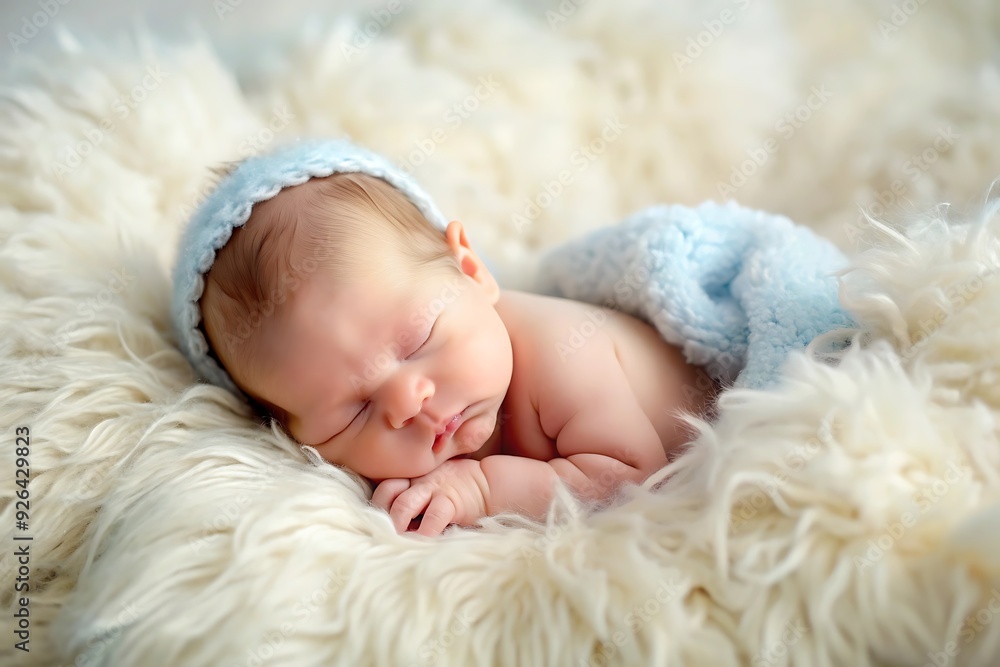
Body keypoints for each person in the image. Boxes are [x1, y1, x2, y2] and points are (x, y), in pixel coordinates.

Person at [173, 139, 717, 536]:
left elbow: (631, 482)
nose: (409, 403)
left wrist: (479, 489)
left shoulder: (562, 348)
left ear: (472, 271)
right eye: (353, 413)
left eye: (418, 343)